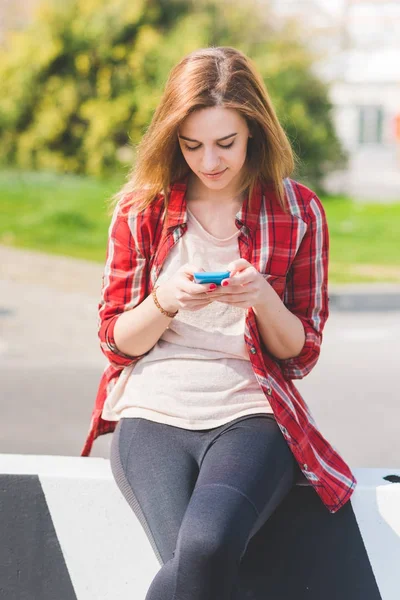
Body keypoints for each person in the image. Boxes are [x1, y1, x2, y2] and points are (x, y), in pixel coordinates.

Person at [81, 46, 357, 599]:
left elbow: (300, 354)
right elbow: (115, 343)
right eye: (192, 145)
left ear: (255, 130)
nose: (209, 161)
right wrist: (164, 300)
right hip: (152, 411)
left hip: (251, 411)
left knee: (203, 551)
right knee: (200, 570)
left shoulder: (299, 210)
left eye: (225, 143)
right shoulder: (143, 209)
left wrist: (262, 298)